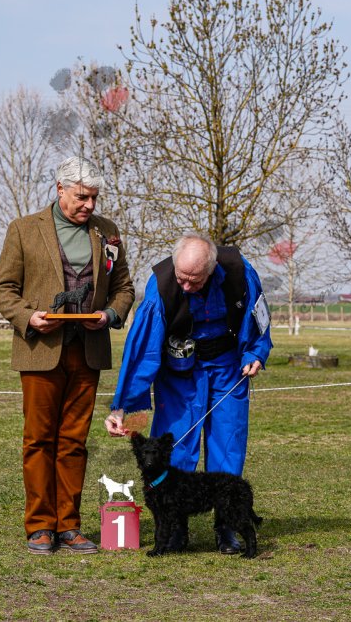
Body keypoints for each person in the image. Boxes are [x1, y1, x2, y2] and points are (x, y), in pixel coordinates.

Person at [0, 156, 135, 555]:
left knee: (74, 441)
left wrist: (109, 315)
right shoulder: (23, 229)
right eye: (81, 197)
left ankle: (69, 526)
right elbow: (3, 289)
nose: (89, 205)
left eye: (94, 198)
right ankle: (40, 526)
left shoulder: (108, 232)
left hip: (87, 353)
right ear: (59, 189)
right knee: (39, 440)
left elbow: (124, 288)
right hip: (40, 352)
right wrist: (28, 317)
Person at [104, 233, 273, 554]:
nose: (184, 286)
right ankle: (176, 531)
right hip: (179, 372)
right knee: (175, 445)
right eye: (181, 277)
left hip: (228, 367)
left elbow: (259, 317)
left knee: (228, 444)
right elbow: (142, 350)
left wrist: (255, 353)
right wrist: (121, 407)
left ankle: (226, 528)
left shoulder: (241, 272)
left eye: (194, 280)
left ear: (211, 269)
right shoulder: (161, 286)